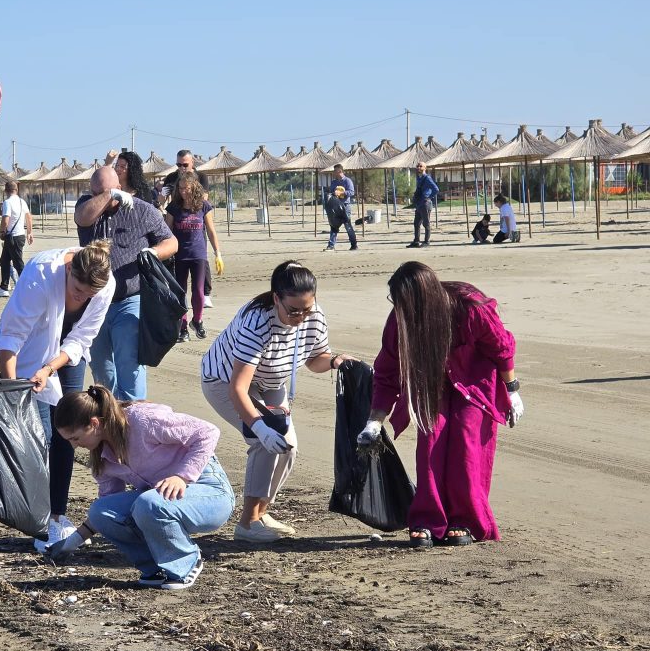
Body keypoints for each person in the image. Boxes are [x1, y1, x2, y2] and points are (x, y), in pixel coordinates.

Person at [356, 261, 524, 547]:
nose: (399, 311)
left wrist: (512, 390)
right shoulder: (400, 319)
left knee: (467, 440)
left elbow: (501, 346)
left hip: (474, 381)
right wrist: (375, 420)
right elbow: (387, 371)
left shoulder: (471, 308)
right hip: (430, 383)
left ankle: (467, 520)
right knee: (430, 438)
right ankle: (428, 519)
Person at [201, 261, 353, 542]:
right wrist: (259, 427)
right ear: (276, 299)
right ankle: (246, 524)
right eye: (293, 310)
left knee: (288, 447)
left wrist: (333, 361)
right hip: (224, 382)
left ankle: (261, 512)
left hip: (271, 382)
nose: (300, 316)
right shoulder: (257, 321)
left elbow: (314, 360)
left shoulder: (314, 316)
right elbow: (238, 389)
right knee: (264, 441)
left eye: (306, 309)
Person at [0, 240, 115, 551]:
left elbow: (84, 336)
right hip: (28, 351)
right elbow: (12, 336)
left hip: (67, 354)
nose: (82, 298)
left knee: (69, 432)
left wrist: (50, 368)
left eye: (89, 296)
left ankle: (57, 514)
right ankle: (39, 518)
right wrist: (11, 394)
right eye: (77, 292)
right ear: (70, 269)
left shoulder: (106, 284)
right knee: (40, 435)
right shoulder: (41, 272)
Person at [46, 384, 234, 590]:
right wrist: (71, 543)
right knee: (101, 511)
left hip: (210, 492)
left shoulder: (142, 421)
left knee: (149, 502)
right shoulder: (102, 458)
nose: (74, 445)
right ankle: (154, 567)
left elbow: (208, 432)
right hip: (161, 501)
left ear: (94, 423)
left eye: (75, 438)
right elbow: (108, 509)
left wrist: (181, 476)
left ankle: (185, 562)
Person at [75, 167, 177, 401]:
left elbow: (171, 242)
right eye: (96, 192)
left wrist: (153, 252)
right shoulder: (88, 205)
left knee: (129, 363)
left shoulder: (142, 210)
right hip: (95, 302)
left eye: (110, 191)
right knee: (101, 368)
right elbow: (82, 217)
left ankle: (134, 415)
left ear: (121, 187)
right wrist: (106, 195)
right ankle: (107, 414)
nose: (103, 197)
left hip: (130, 299)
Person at [164, 172, 223, 342]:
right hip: (179, 255)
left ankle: (197, 321)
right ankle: (183, 327)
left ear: (194, 187)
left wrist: (217, 253)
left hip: (198, 254)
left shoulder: (203, 206)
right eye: (180, 188)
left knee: (198, 291)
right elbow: (167, 232)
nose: (183, 192)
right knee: (180, 292)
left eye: (186, 188)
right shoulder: (174, 208)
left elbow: (211, 231)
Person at [162, 150, 215, 306]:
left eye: (185, 164)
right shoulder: (171, 178)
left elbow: (204, 198)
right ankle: (179, 296)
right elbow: (163, 202)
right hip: (178, 218)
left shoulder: (202, 177)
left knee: (201, 256)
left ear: (192, 163)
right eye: (178, 164)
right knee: (178, 261)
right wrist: (162, 195)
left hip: (196, 220)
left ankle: (205, 293)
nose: (181, 168)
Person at [0, 180, 33, 298]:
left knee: (18, 263)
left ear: (5, 190)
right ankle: (4, 287)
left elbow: (6, 219)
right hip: (19, 236)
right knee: (4, 261)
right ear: (16, 190)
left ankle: (26, 286)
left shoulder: (7, 202)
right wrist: (29, 233)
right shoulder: (22, 201)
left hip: (12, 236)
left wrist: (1, 231)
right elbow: (29, 218)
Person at [325, 165, 358, 251]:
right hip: (335, 207)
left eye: (335, 171)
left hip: (345, 206)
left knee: (348, 226)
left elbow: (351, 192)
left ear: (340, 171)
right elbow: (332, 192)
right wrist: (333, 193)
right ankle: (331, 245)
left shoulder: (347, 181)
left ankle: (354, 245)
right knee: (334, 226)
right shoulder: (333, 182)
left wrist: (342, 193)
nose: (334, 172)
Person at [408, 162, 439, 248]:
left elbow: (436, 189)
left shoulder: (427, 178)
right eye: (417, 166)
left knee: (426, 223)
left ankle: (426, 241)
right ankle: (416, 241)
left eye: (421, 166)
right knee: (416, 223)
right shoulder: (418, 178)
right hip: (419, 203)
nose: (418, 167)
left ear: (425, 168)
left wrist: (428, 197)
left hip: (425, 203)